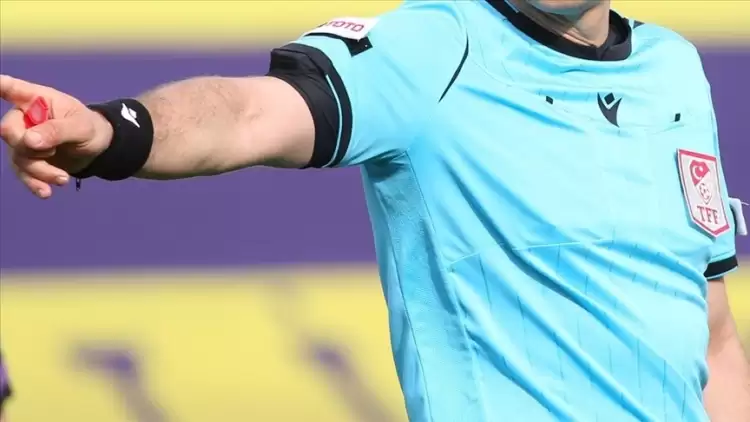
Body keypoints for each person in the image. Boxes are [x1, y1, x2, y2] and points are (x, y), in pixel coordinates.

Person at [1, 0, 748, 420]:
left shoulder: (674, 70)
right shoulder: (436, 46)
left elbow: (711, 336)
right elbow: (247, 114)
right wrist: (114, 132)